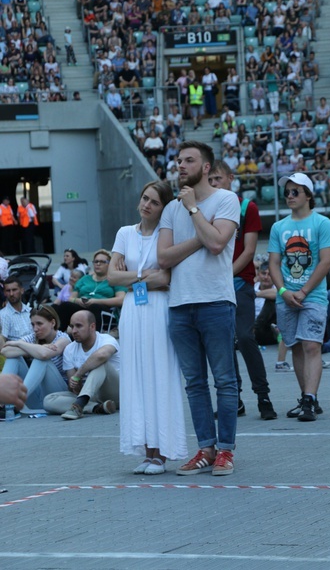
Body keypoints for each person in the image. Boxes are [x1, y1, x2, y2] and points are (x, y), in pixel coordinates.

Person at [158, 141, 240, 476]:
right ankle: (205, 447)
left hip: (216, 302)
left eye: (189, 161)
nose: (180, 166)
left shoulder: (226, 200)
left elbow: (219, 244)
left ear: (206, 167)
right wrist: (199, 237)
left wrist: (194, 210)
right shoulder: (170, 209)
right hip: (180, 305)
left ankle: (225, 450)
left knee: (224, 380)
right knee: (194, 382)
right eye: (178, 161)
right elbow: (164, 258)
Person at [108, 181, 187, 475]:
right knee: (136, 377)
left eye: (154, 202)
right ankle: (145, 449)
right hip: (132, 310)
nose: (146, 205)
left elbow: (165, 278)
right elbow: (112, 277)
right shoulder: (125, 233)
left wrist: (134, 277)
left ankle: (161, 452)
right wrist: (143, 275)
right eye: (144, 199)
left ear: (163, 207)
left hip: (158, 309)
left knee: (159, 375)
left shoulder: (167, 237)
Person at [208, 161, 277, 420]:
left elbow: (249, 250)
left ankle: (263, 395)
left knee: (245, 338)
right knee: (223, 343)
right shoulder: (204, 210)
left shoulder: (247, 207)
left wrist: (224, 275)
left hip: (239, 284)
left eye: (218, 179)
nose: (214, 184)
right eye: (211, 180)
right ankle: (233, 400)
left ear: (230, 178)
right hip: (214, 287)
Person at [268, 173, 330, 421]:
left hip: (314, 296)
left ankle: (309, 398)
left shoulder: (322, 223)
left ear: (308, 195)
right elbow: (274, 263)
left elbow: (326, 261)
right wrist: (284, 292)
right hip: (286, 297)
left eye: (295, 191)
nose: (289, 196)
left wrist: (304, 290)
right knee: (296, 346)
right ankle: (308, 397)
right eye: (287, 192)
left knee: (311, 345)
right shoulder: (279, 227)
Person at [43, 311, 120, 420]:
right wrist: (74, 384)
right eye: (72, 326)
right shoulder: (70, 349)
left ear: (92, 327)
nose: (74, 331)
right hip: (91, 396)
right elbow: (73, 386)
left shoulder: (106, 339)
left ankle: (79, 406)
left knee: (101, 363)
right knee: (48, 400)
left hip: (114, 392)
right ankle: (96, 408)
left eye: (79, 326)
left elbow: (101, 355)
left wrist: (79, 373)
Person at [1, 306, 70, 415]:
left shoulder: (63, 338)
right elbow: (6, 351)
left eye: (39, 324)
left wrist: (19, 344)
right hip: (37, 398)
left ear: (52, 323)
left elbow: (44, 355)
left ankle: (13, 404)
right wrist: (33, 348)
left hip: (57, 396)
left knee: (41, 361)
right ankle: (2, 403)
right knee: (14, 358)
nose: (35, 329)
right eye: (33, 324)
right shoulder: (33, 338)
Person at [53, 249, 126, 332]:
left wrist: (96, 301)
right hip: (82, 307)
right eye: (96, 261)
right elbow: (71, 298)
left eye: (102, 261)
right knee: (65, 305)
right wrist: (78, 300)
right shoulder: (84, 279)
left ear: (109, 264)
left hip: (103, 310)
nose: (98, 264)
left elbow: (121, 299)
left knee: (94, 307)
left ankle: (94, 338)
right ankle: (59, 335)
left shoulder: (115, 279)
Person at [0, 277, 32, 349]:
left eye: (14, 290)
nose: (11, 294)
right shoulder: (3, 315)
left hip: (35, 349)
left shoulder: (30, 311)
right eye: (8, 291)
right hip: (16, 353)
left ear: (22, 290)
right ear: (4, 293)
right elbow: (2, 340)